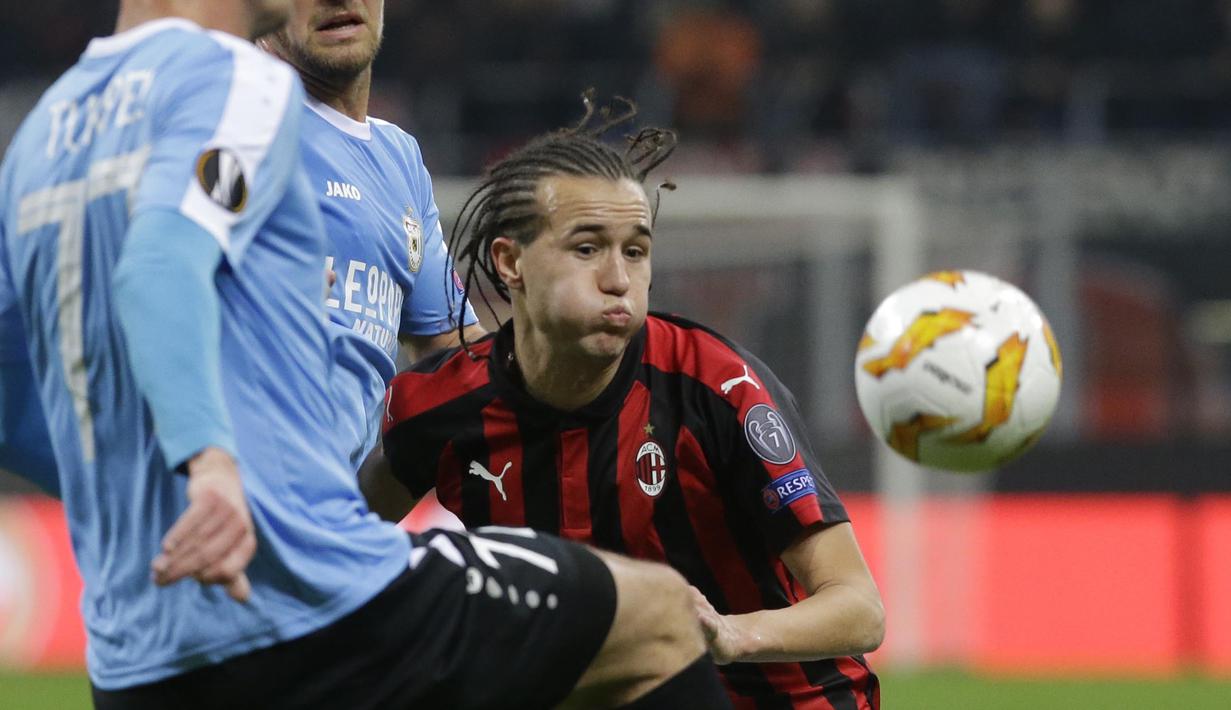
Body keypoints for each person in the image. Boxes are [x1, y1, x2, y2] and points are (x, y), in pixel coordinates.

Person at [0, 3, 732, 708]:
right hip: (302, 580)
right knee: (659, 619)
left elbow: (462, 362)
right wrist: (209, 468)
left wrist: (141, 489)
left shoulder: (47, 131)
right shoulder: (240, 91)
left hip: (139, 635)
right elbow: (160, 264)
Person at [372, 98, 886, 708]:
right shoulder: (439, 407)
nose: (618, 279)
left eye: (635, 251)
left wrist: (730, 634)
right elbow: (343, 543)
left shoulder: (716, 384)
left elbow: (859, 607)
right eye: (587, 249)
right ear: (511, 262)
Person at [260, 0, 483, 467]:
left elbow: (452, 348)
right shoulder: (237, 124)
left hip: (339, 500)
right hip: (240, 489)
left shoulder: (399, 156)